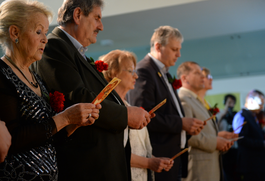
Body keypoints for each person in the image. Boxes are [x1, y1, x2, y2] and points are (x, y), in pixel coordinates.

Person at [31, 0, 151, 180]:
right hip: (86, 167)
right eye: (97, 18)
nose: (101, 26)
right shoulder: (54, 46)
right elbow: (78, 97)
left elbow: (98, 98)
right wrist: (126, 115)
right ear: (78, 15)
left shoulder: (76, 53)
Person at [0, 0, 101, 180]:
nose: (45, 39)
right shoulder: (2, 75)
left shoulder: (35, 78)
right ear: (15, 32)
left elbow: (49, 137)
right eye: (38, 31)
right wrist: (64, 118)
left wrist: (74, 123)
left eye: (45, 32)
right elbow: (11, 139)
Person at [128, 26, 205, 181]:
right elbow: (144, 115)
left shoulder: (164, 72)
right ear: (158, 46)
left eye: (179, 49)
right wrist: (181, 123)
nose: (179, 54)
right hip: (157, 154)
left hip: (172, 155)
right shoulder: (144, 71)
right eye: (174, 49)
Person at [102, 49, 174, 181]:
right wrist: (149, 163)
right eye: (131, 71)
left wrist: (154, 160)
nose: (136, 76)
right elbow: (114, 152)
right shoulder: (108, 109)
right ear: (113, 73)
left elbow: (137, 148)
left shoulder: (128, 107)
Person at [177, 61, 235, 181]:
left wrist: (220, 140)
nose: (203, 77)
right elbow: (188, 136)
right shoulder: (183, 99)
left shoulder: (195, 100)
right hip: (199, 167)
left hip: (209, 164)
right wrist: (215, 142)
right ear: (184, 78)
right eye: (197, 73)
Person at [233, 90, 265, 181]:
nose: (262, 107)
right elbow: (241, 139)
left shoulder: (252, 116)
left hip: (257, 166)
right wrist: (264, 144)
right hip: (249, 166)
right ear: (251, 100)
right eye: (260, 103)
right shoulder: (241, 116)